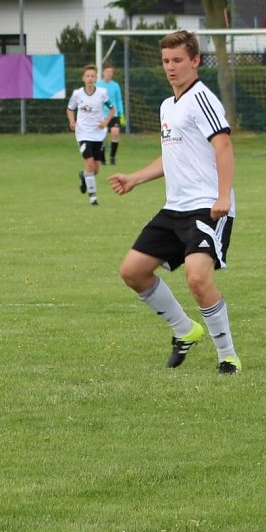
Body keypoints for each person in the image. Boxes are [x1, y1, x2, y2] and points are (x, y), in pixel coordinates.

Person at [108, 30, 241, 374]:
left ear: (195, 61)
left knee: (197, 278)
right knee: (133, 271)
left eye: (178, 60)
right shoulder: (168, 105)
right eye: (166, 61)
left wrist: (224, 195)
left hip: (207, 206)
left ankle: (227, 355)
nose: (171, 67)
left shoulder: (203, 99)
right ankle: (185, 330)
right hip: (174, 207)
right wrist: (135, 178)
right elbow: (172, 156)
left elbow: (223, 147)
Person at [66, 64, 115, 206]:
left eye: (92, 76)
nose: (90, 78)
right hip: (83, 134)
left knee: (96, 169)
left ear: (96, 78)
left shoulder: (102, 93)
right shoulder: (77, 94)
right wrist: (72, 121)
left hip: (98, 134)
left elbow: (112, 109)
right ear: (83, 78)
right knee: (89, 164)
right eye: (87, 76)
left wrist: (105, 122)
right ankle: (93, 197)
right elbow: (70, 109)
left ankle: (84, 176)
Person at [96, 63, 124, 165]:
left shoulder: (115, 85)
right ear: (103, 72)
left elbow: (119, 100)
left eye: (111, 72)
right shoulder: (97, 85)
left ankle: (112, 156)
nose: (110, 74)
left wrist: (121, 114)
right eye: (108, 71)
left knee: (115, 132)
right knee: (102, 137)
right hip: (101, 115)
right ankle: (102, 158)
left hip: (114, 114)